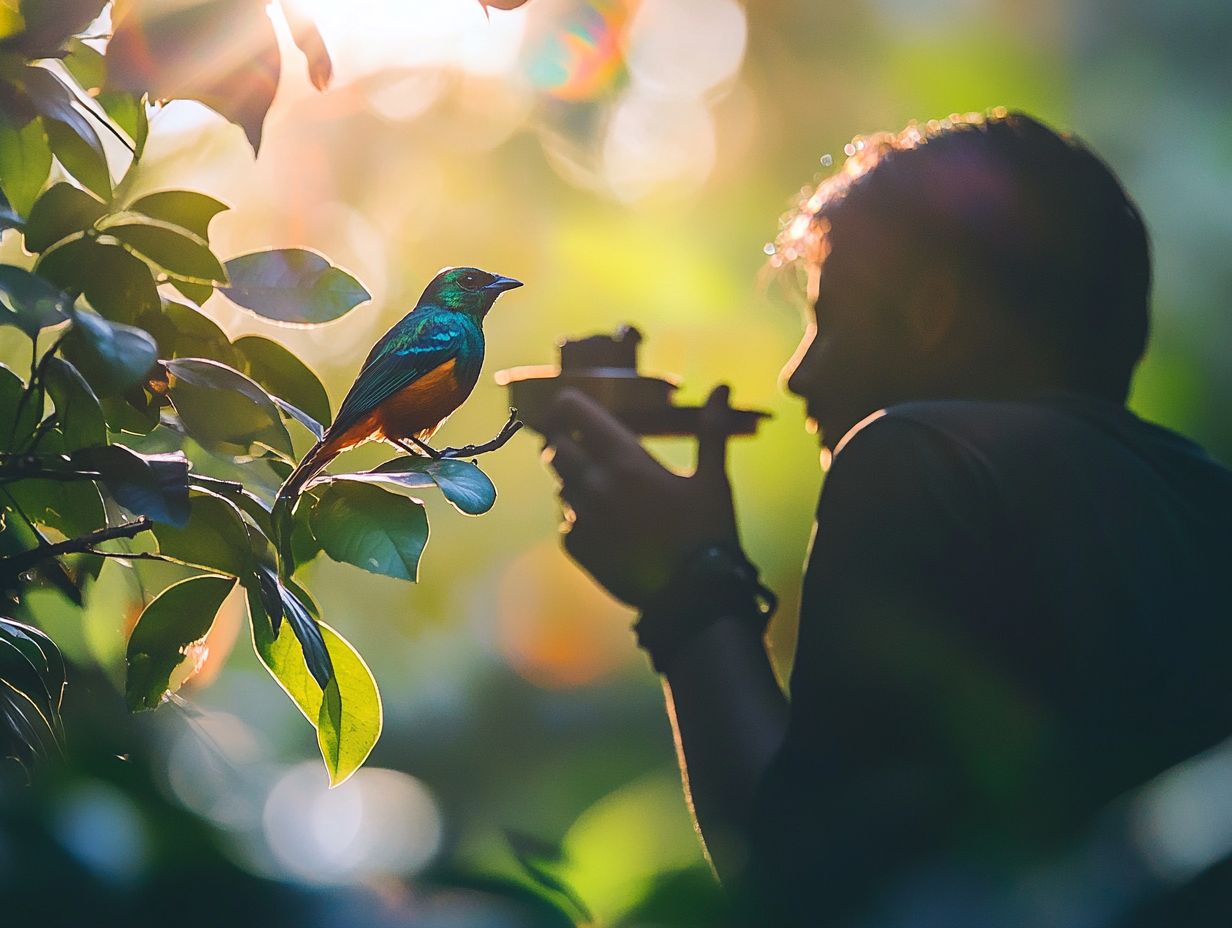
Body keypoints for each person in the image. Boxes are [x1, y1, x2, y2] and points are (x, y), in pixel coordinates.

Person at [542, 111, 1232, 927]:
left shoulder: (914, 454)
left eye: (829, 320)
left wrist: (691, 586)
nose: (797, 377)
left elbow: (816, 886)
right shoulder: (1203, 496)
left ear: (932, 312)